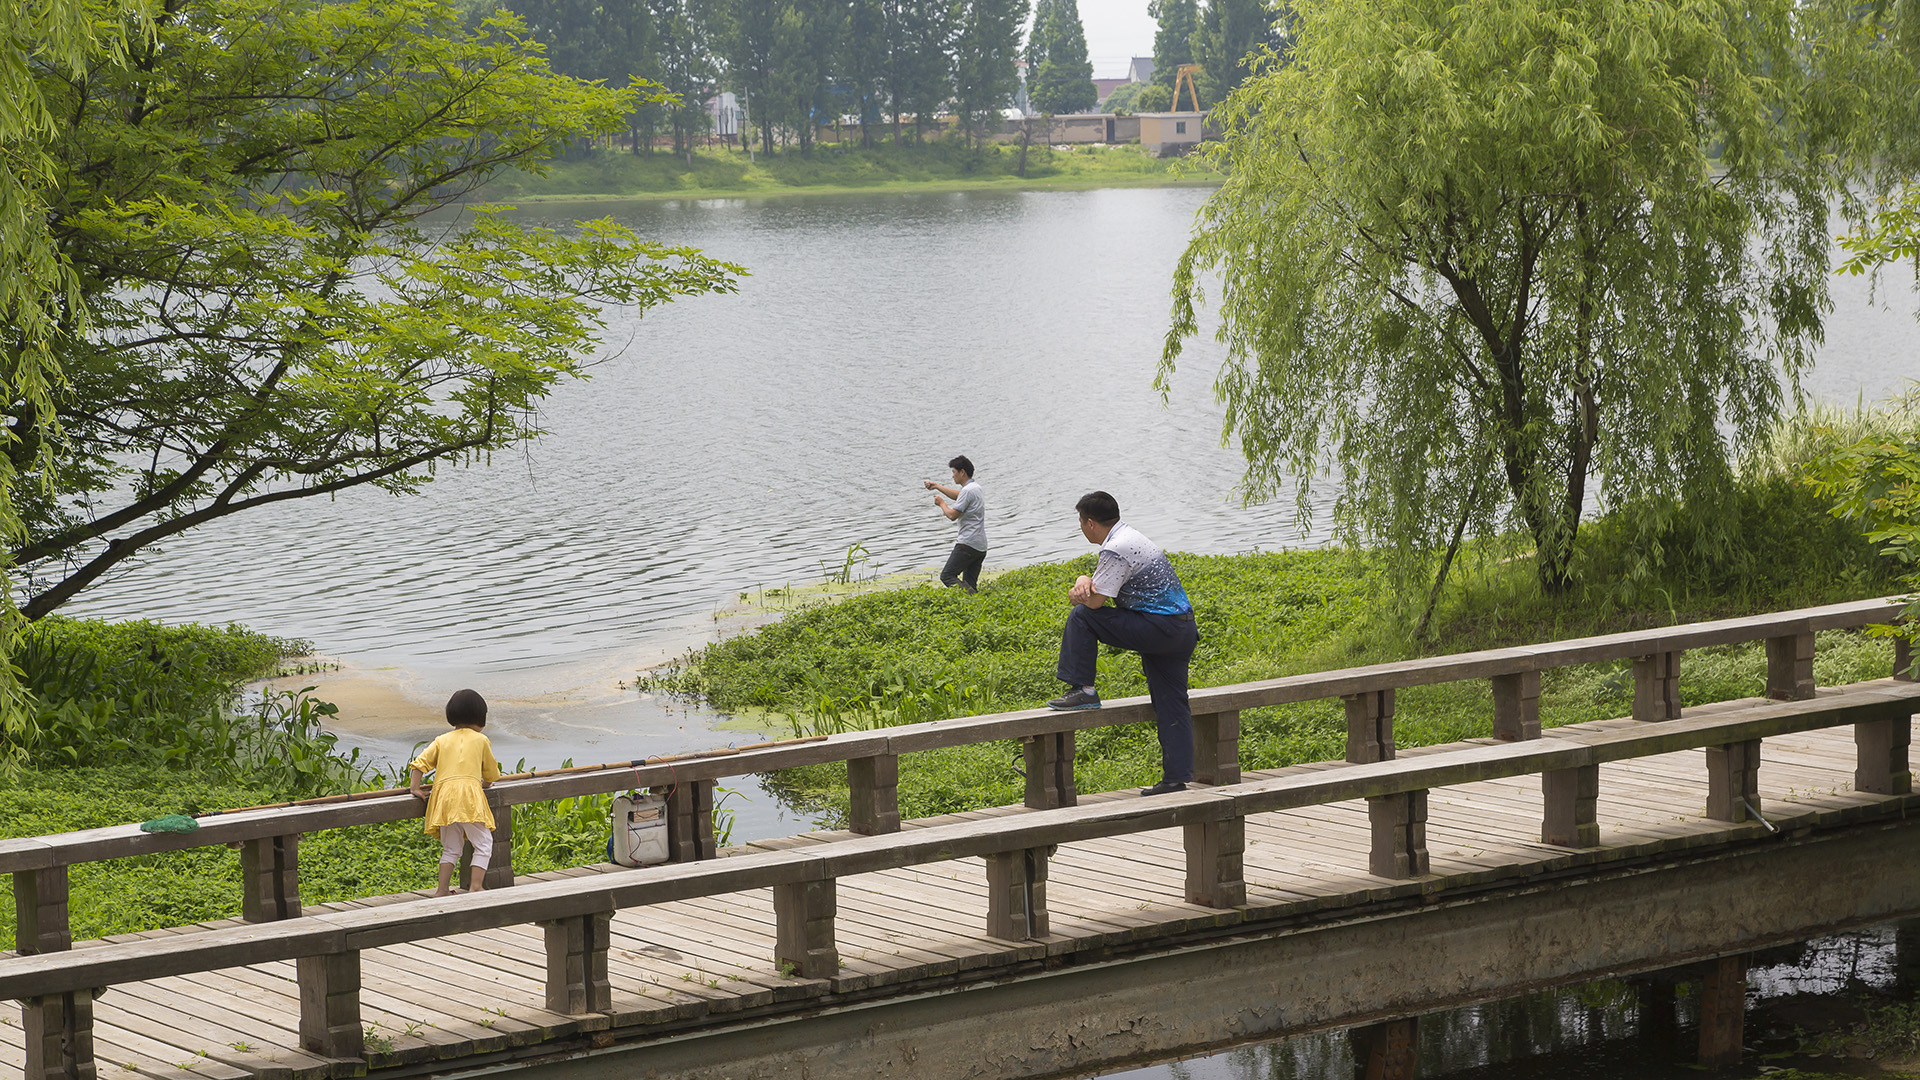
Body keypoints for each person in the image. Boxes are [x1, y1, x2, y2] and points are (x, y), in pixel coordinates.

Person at [1048, 491, 1199, 796]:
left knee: (1081, 617)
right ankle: (1175, 779)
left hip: (1160, 629)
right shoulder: (1130, 537)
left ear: (1090, 523)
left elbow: (1093, 603)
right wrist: (1083, 578)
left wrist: (1079, 585)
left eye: (1080, 521)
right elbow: (1100, 588)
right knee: (1171, 702)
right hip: (1181, 630)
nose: (1080, 527)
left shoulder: (1115, 548)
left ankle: (1084, 690)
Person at [409, 689, 503, 895]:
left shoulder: (441, 740)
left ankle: (442, 890)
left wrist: (415, 788)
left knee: (451, 848)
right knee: (484, 843)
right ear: (481, 718)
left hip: (444, 799)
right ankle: (476, 886)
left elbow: (419, 764)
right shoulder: (481, 740)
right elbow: (492, 773)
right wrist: (485, 784)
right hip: (468, 798)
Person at [925, 455, 988, 593]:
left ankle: (972, 597)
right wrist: (937, 486)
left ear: (962, 472)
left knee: (947, 576)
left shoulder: (967, 491)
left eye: (954, 472)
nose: (952, 476)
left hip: (967, 545)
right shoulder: (975, 487)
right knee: (970, 584)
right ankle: (975, 601)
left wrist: (941, 503)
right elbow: (959, 496)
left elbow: (952, 515)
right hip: (980, 546)